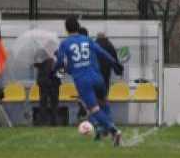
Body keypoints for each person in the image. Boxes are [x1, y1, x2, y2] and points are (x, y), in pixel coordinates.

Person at [56, 17, 122, 146]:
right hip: (97, 77)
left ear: (66, 29)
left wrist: (56, 71)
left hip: (83, 81)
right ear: (78, 26)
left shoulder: (65, 44)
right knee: (103, 101)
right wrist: (115, 63)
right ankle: (107, 127)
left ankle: (112, 130)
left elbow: (61, 64)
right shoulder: (87, 40)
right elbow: (102, 52)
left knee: (94, 109)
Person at [80, 28, 124, 141]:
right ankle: (109, 126)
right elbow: (113, 59)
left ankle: (98, 126)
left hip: (91, 78)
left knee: (92, 105)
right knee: (104, 103)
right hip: (103, 80)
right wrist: (118, 70)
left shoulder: (92, 45)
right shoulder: (109, 45)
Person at [34, 54, 61, 126]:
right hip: (51, 84)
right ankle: (53, 122)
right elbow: (60, 74)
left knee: (44, 104)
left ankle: (44, 122)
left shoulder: (41, 60)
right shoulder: (57, 61)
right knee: (53, 104)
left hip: (45, 84)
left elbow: (36, 65)